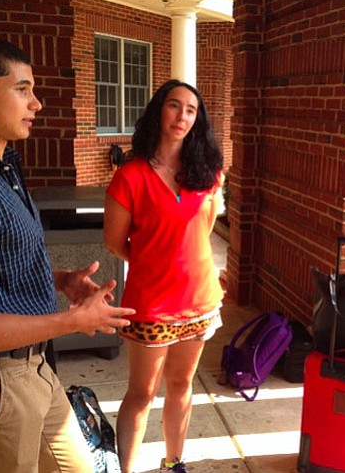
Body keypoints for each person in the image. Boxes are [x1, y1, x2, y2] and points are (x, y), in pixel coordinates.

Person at [0, 35, 136, 473]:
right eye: (22, 89)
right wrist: (73, 321)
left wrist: (57, 279)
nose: (36, 103)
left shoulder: (2, 169)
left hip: (31, 369)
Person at [104, 79, 225, 473]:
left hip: (199, 301)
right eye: (175, 106)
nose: (183, 116)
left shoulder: (207, 173)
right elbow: (115, 242)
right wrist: (154, 258)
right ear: (159, 111)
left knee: (181, 386)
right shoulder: (130, 176)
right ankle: (125, 467)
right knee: (141, 394)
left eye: (191, 110)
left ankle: (174, 463)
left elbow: (201, 233)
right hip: (151, 305)